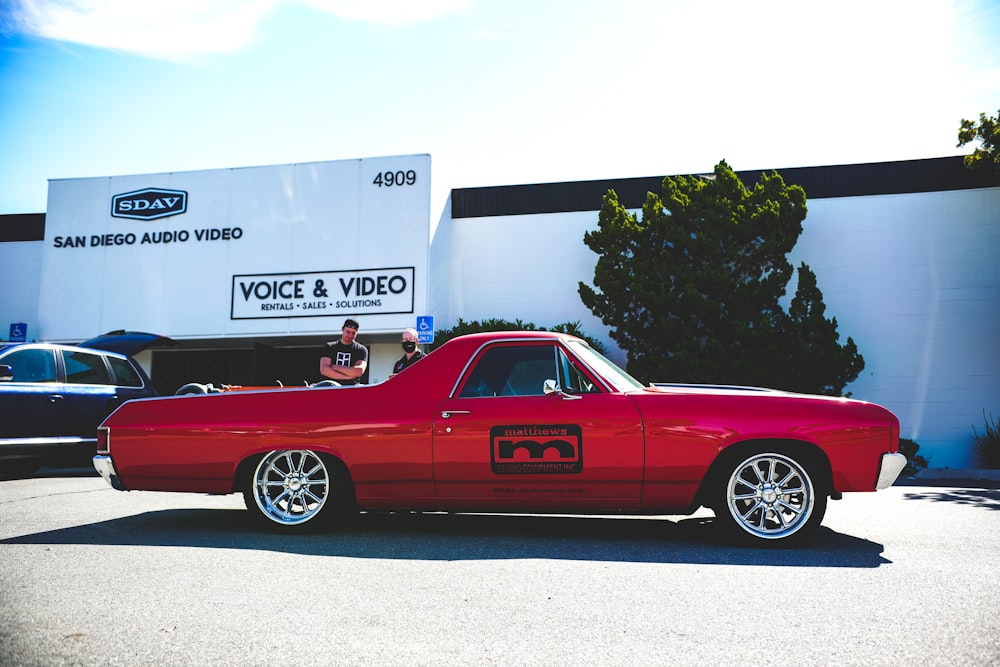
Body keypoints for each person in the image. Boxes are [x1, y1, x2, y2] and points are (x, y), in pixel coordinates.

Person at [319, 318, 368, 384]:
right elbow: (324, 370)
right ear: (342, 329)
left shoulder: (361, 350)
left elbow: (359, 371)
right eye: (348, 332)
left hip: (351, 389)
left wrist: (335, 367)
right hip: (331, 388)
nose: (350, 335)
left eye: (353, 333)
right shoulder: (330, 347)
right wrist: (348, 377)